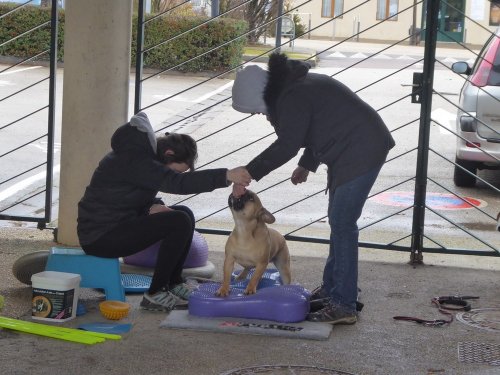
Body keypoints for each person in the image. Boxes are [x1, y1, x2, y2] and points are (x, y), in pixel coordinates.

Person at [231, 53, 395, 325]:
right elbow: (322, 122)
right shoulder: (293, 87)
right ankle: (334, 290)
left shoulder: (292, 97)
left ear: (262, 97)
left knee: (343, 224)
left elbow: (287, 144)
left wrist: (248, 173)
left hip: (360, 150)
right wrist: (307, 163)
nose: (260, 115)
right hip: (352, 146)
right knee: (339, 222)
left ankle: (343, 303)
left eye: (257, 110)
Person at [77, 112, 251, 312]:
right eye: (176, 170)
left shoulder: (139, 156)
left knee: (184, 213)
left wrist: (153, 205)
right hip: (100, 237)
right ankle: (155, 293)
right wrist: (227, 175)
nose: (175, 175)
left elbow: (126, 194)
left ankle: (174, 283)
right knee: (178, 221)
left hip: (117, 224)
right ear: (168, 154)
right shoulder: (135, 160)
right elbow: (178, 184)